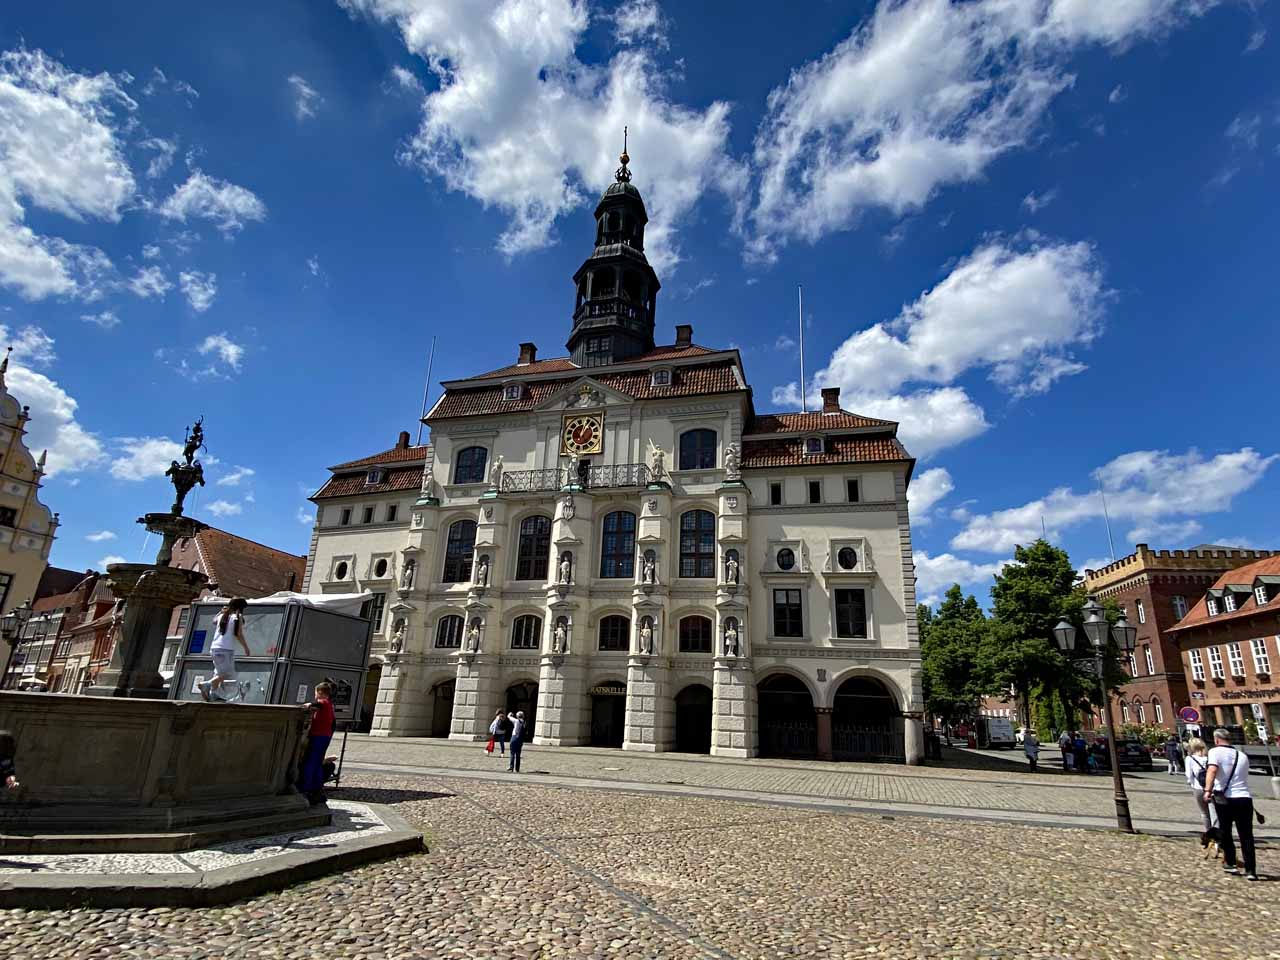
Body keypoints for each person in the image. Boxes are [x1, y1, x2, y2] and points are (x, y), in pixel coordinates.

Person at [1204, 727, 1257, 880]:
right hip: (1245, 798)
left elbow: (1212, 770)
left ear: (1216, 739)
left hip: (1225, 799)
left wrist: (1207, 790)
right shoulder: (1242, 755)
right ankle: (1251, 870)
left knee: (1225, 831)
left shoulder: (1214, 752)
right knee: (1246, 835)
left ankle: (1231, 863)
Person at [198, 597, 250, 702]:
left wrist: (220, 611)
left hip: (214, 648)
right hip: (226, 649)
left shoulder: (222, 615)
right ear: (240, 608)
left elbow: (214, 621)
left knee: (219, 674)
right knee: (229, 674)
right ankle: (206, 685)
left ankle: (214, 695)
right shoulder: (238, 616)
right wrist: (246, 647)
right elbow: (239, 634)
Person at [298, 682, 335, 804]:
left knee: (311, 762)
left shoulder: (324, 702)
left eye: (315, 693)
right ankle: (317, 789)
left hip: (318, 736)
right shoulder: (330, 705)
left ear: (320, 693)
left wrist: (308, 705)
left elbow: (317, 704)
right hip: (325, 736)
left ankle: (306, 788)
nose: (314, 695)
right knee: (317, 763)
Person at [1183, 737, 1219, 858]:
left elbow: (1189, 775)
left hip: (1198, 788)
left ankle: (1209, 836)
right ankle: (1217, 838)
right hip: (1212, 788)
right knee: (1214, 813)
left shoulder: (1190, 758)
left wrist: (1192, 783)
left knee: (1204, 813)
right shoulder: (1209, 757)